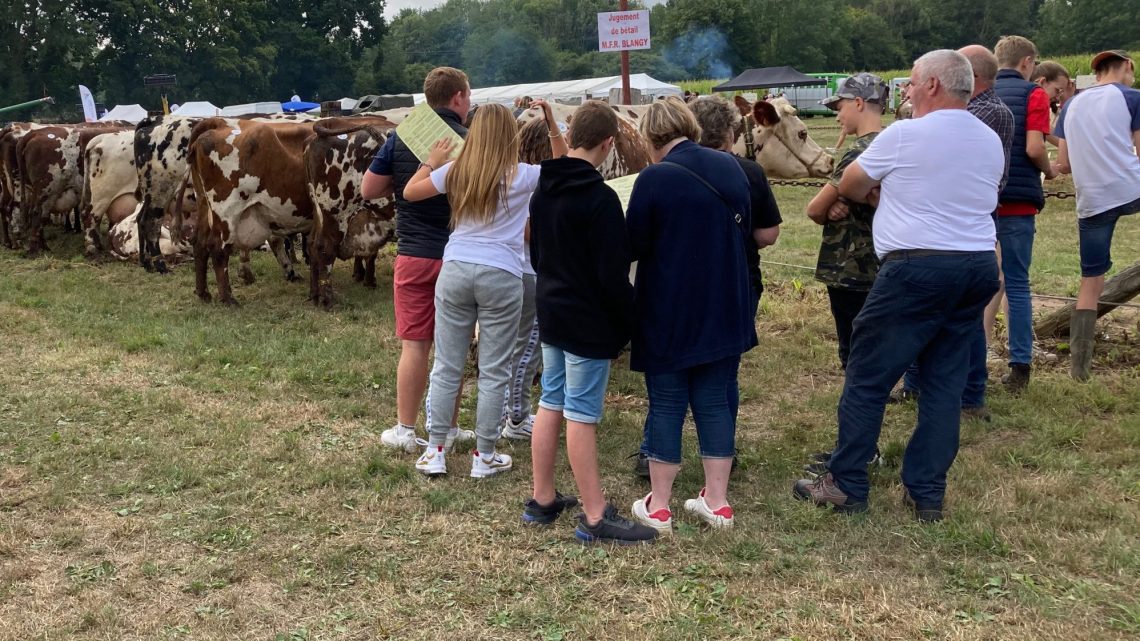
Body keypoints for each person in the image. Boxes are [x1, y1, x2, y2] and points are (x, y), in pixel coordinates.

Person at [793, 50, 1002, 522]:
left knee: (867, 375)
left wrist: (873, 192)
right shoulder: (988, 139)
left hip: (916, 269)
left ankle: (846, 483)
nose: (904, 92)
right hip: (976, 267)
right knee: (944, 384)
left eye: (910, 83)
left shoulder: (905, 136)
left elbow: (849, 181)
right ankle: (926, 493)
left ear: (932, 85)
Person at [402, 101, 569, 478]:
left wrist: (430, 160)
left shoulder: (456, 171)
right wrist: (552, 126)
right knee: (495, 369)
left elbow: (411, 193)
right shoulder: (523, 175)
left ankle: (435, 450)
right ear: (511, 137)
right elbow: (564, 165)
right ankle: (485, 454)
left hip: (457, 267)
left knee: (447, 364)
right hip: (503, 273)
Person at [523, 100, 657, 545]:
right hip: (587, 319)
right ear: (608, 143)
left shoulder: (544, 188)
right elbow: (612, 275)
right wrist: (629, 321)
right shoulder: (600, 198)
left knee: (550, 401)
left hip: (553, 309)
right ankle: (595, 515)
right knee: (581, 414)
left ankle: (542, 498)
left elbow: (535, 254)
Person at [631, 96, 782, 479]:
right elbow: (754, 229)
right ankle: (717, 498)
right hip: (726, 296)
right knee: (716, 397)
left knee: (666, 401)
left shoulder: (653, 177)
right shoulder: (733, 168)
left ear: (650, 136)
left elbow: (633, 245)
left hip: (670, 303)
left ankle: (660, 499)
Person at [896, 45, 1016, 419]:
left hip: (959, 225)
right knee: (943, 315)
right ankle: (924, 386)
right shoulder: (978, 115)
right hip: (959, 223)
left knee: (959, 318)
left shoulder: (985, 114)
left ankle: (969, 394)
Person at [361, 67, 476, 454]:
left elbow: (369, 188)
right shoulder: (471, 143)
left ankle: (405, 430)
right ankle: (449, 426)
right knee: (452, 348)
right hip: (457, 256)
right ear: (458, 97)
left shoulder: (401, 136)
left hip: (412, 255)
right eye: (469, 95)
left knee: (414, 346)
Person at [800, 73, 887, 478]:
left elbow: (815, 210)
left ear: (859, 103)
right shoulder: (892, 144)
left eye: (840, 107)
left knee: (856, 363)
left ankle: (857, 451)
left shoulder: (860, 152)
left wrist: (832, 204)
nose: (837, 116)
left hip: (852, 270)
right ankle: (859, 446)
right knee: (865, 360)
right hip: (879, 268)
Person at [1053, 50, 1140, 381]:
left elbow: (1066, 163)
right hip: (1131, 188)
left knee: (1090, 282)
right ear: (1127, 67)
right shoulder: (1132, 97)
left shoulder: (1070, 104)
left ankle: (1080, 369)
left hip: (1092, 200)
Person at [989, 35, 1058, 392]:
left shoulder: (979, 91)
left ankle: (975, 354)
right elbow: (1034, 147)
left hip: (982, 200)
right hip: (1017, 199)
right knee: (1017, 284)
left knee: (982, 282)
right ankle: (1019, 364)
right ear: (1028, 62)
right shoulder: (1035, 95)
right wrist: (1050, 169)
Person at [1031, 61, 1072, 146]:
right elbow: (1036, 149)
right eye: (1057, 90)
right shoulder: (1036, 103)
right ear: (1042, 82)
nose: (1057, 97)